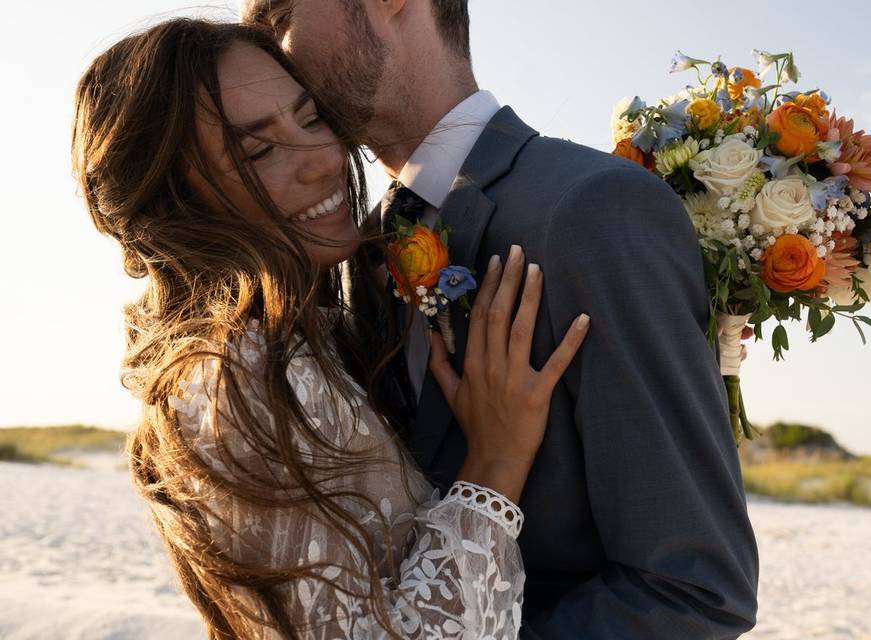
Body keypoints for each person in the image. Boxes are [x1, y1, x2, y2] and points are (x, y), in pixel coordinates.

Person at [241, 1, 761, 637]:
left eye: (277, 13)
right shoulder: (355, 243)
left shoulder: (593, 208)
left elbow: (693, 588)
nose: (258, 44)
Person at [72, 18, 590, 639]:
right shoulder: (232, 383)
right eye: (259, 150)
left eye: (312, 118)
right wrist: (496, 464)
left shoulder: (305, 339)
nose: (323, 158)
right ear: (177, 206)